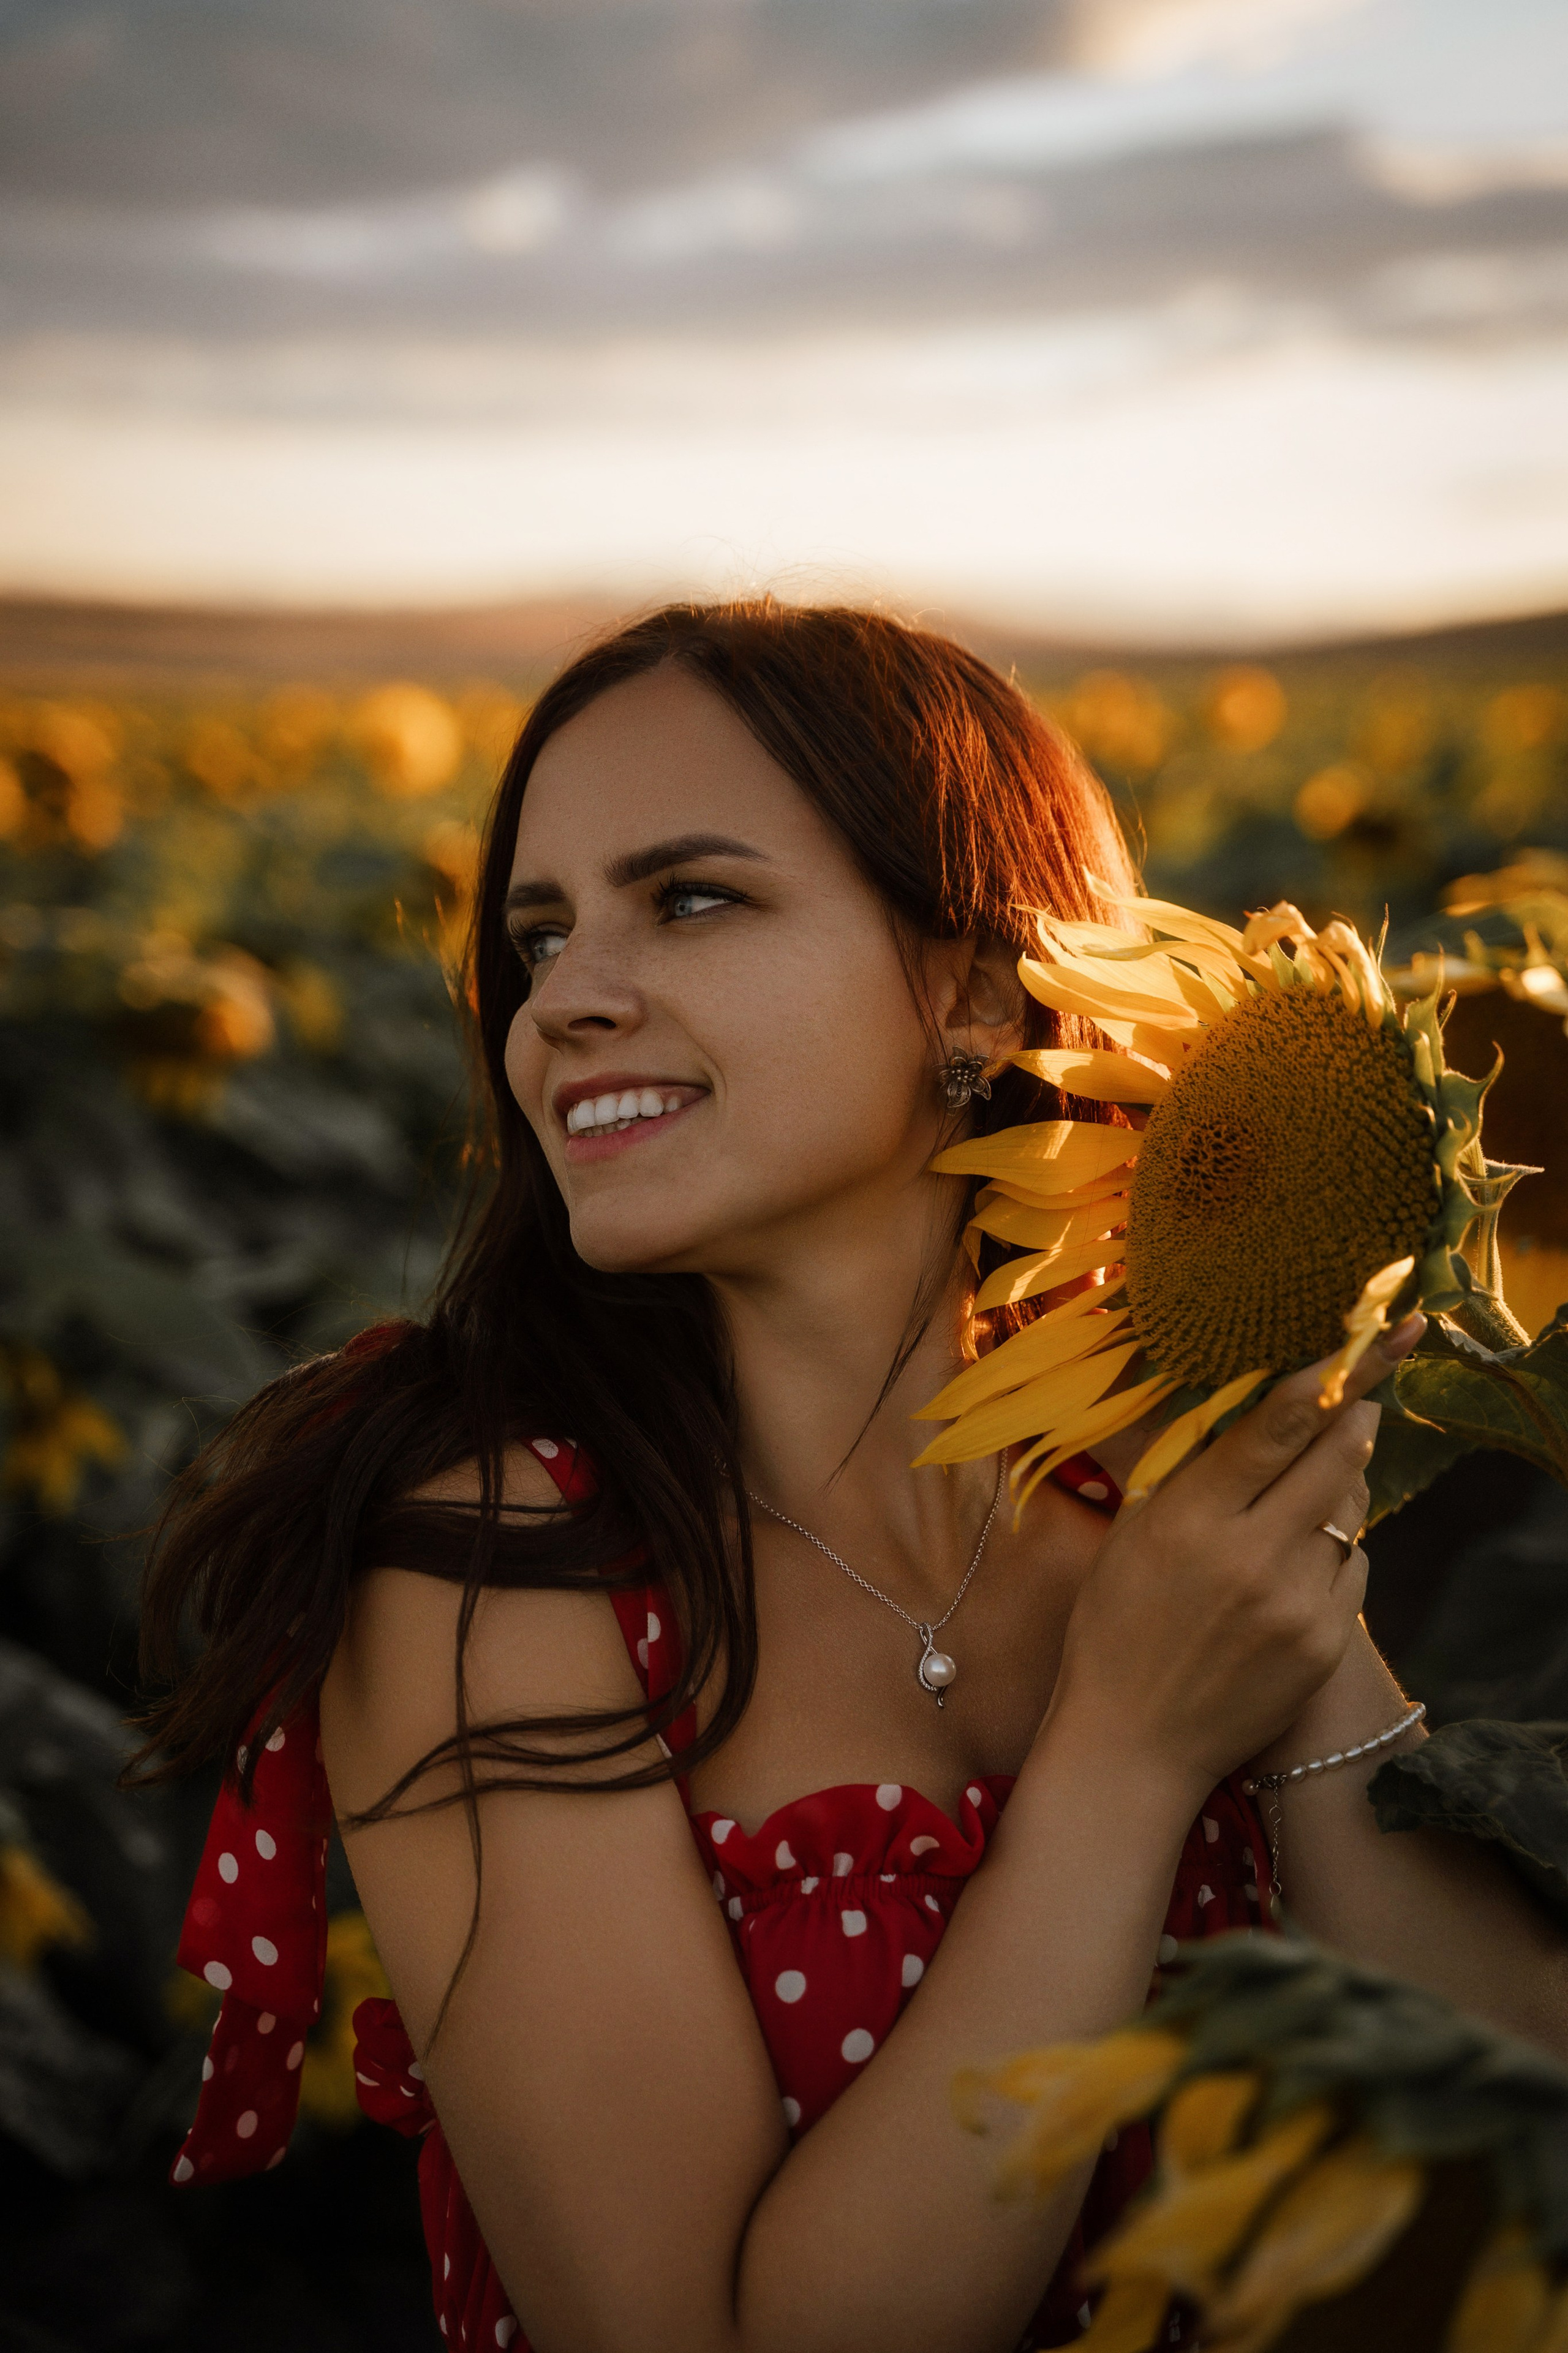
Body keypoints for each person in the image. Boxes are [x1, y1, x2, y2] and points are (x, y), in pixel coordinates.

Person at [138, 603, 1568, 2353]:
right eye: (539, 931)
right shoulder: (492, 1569)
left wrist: (1276, 1573)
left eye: (690, 898)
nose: (564, 998)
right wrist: (1124, 1754)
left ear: (970, 991)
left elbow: (1517, 2147)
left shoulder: (1141, 1484)